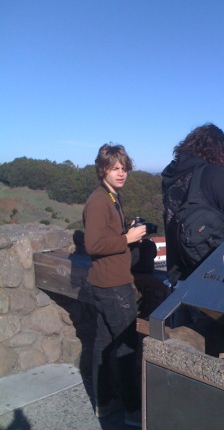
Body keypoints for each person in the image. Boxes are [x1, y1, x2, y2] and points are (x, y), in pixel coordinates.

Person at [83, 144, 146, 427]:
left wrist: (126, 231)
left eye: (124, 168)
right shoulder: (99, 201)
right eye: (115, 168)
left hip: (106, 282)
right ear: (103, 169)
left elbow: (106, 236)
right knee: (126, 346)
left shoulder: (111, 197)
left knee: (104, 345)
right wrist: (127, 239)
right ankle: (133, 410)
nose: (121, 173)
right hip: (113, 286)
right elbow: (93, 244)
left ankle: (104, 402)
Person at [162, 123, 224, 285]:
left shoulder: (171, 176)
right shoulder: (211, 174)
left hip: (177, 277)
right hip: (208, 279)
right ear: (220, 151)